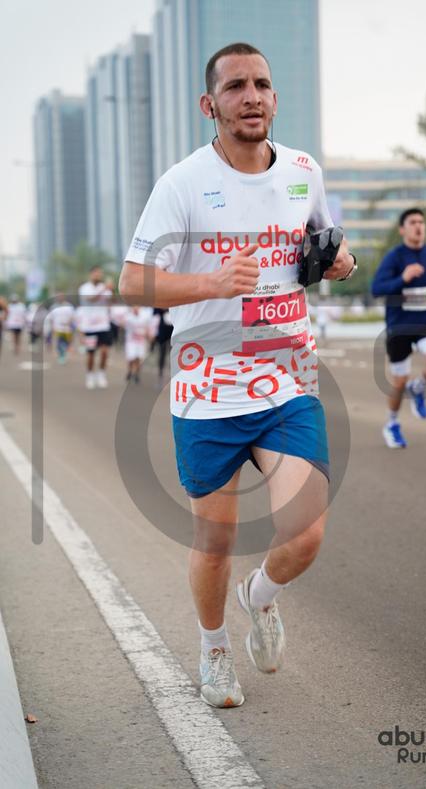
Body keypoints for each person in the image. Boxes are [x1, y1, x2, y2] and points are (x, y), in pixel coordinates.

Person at [119, 42, 356, 708]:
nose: (250, 96)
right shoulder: (182, 184)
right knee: (216, 539)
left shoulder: (304, 171)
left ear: (274, 98)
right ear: (210, 104)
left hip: (287, 379)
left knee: (306, 531)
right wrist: (211, 282)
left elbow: (325, 242)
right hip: (208, 387)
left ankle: (261, 595)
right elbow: (132, 282)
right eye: (235, 86)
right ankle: (214, 648)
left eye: (261, 84)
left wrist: (343, 261)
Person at [371, 207, 426, 449]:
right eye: (413, 222)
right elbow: (376, 289)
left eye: (421, 222)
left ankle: (419, 387)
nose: (418, 226)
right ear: (402, 229)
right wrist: (402, 278)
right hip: (400, 326)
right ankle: (391, 424)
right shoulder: (394, 257)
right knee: (399, 381)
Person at [78, 266, 112, 388]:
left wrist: (110, 291)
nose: (98, 275)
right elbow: (91, 299)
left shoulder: (105, 288)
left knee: (104, 352)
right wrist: (104, 289)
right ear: (91, 274)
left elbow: (109, 302)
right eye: (96, 273)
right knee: (91, 354)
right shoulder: (84, 288)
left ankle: (101, 374)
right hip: (90, 327)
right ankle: (90, 375)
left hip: (103, 326)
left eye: (100, 273)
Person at [124, 306, 152, 383]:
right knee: (131, 358)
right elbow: (122, 324)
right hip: (131, 341)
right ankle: (130, 371)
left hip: (140, 342)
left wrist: (149, 336)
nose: (135, 308)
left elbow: (147, 327)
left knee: (138, 358)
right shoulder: (128, 317)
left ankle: (136, 374)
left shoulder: (144, 316)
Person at [49, 293, 76, 364]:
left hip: (67, 328)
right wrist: (52, 327)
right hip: (58, 328)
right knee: (59, 342)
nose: (60, 298)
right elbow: (51, 319)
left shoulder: (69, 306)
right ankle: (61, 355)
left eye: (61, 296)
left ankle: (64, 353)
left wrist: (69, 324)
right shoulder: (53, 307)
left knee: (66, 343)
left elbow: (72, 317)